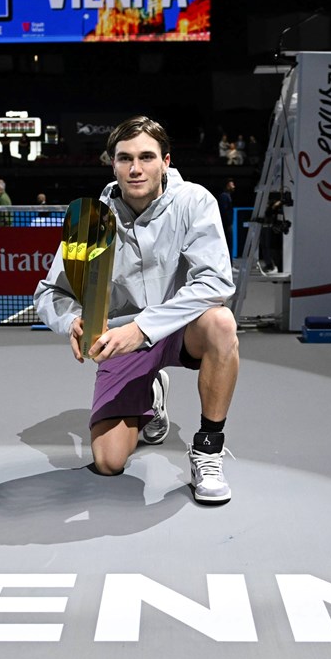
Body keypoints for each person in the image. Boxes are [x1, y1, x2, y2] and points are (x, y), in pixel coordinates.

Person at [33, 115, 238, 504]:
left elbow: (215, 283)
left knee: (221, 323)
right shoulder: (91, 221)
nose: (136, 168)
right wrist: (71, 320)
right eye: (125, 158)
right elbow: (49, 293)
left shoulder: (194, 202)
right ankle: (152, 395)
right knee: (109, 461)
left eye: (146, 157)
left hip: (179, 328)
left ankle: (208, 449)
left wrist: (144, 329)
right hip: (119, 340)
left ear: (166, 161)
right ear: (113, 164)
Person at [218, 179, 235, 256]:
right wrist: (228, 224)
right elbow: (224, 212)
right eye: (232, 185)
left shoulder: (227, 196)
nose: (234, 186)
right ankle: (229, 265)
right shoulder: (224, 196)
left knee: (229, 244)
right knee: (228, 244)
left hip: (227, 224)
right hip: (226, 225)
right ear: (227, 186)